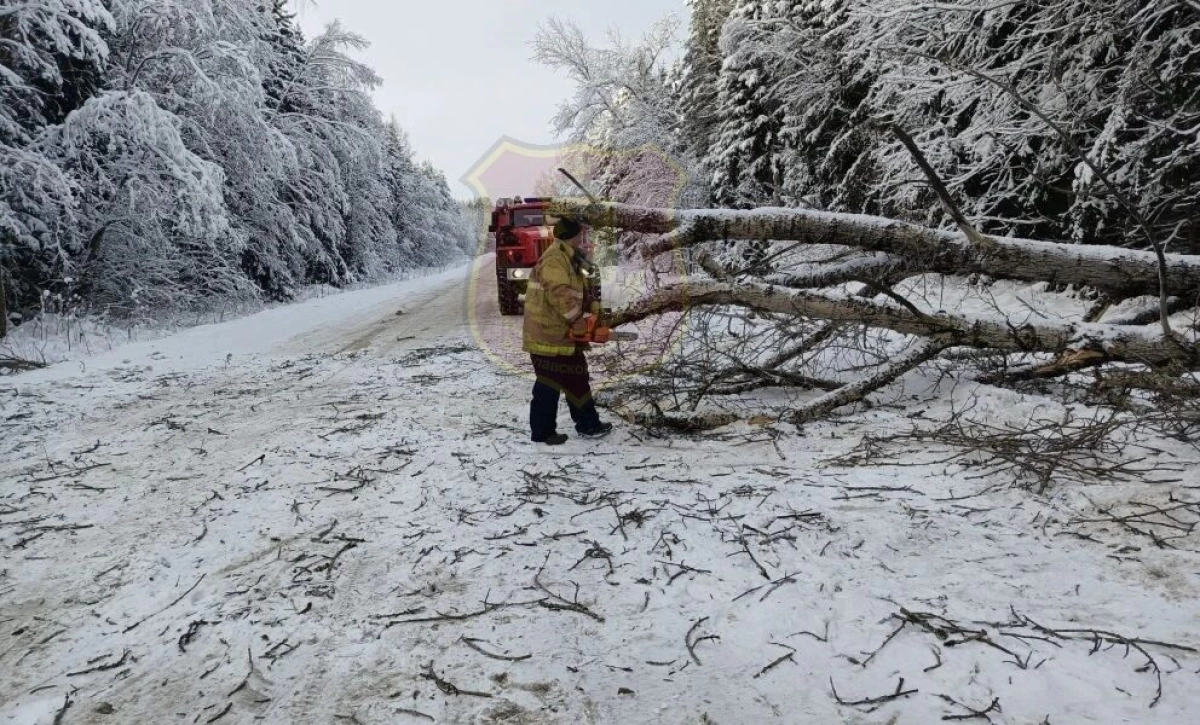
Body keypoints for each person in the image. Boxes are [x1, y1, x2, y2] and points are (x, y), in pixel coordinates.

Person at [521, 218, 614, 445]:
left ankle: (588, 424)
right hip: (547, 335)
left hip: (560, 335)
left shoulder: (568, 257)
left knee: (577, 379)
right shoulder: (554, 259)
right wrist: (577, 321)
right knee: (548, 384)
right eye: (580, 235)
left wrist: (592, 311)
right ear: (573, 236)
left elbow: (579, 291)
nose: (582, 239)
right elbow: (560, 293)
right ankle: (542, 433)